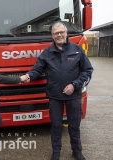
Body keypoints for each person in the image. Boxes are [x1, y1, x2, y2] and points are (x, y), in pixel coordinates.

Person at [25, 21, 93, 160]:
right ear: (52, 35)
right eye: (56, 33)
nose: (59, 35)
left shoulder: (77, 50)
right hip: (55, 96)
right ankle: (56, 151)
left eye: (61, 32)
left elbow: (87, 71)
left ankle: (77, 151)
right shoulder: (47, 53)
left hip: (73, 95)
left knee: (74, 125)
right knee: (56, 125)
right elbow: (38, 69)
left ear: (66, 33)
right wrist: (28, 76)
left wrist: (75, 85)